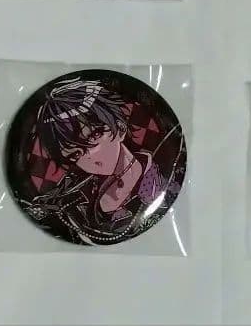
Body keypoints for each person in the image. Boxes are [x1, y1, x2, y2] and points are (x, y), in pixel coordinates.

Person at [10, 77, 182, 245]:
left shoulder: (164, 179)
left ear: (120, 128)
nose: (89, 158)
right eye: (75, 155)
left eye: (94, 136)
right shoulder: (72, 198)